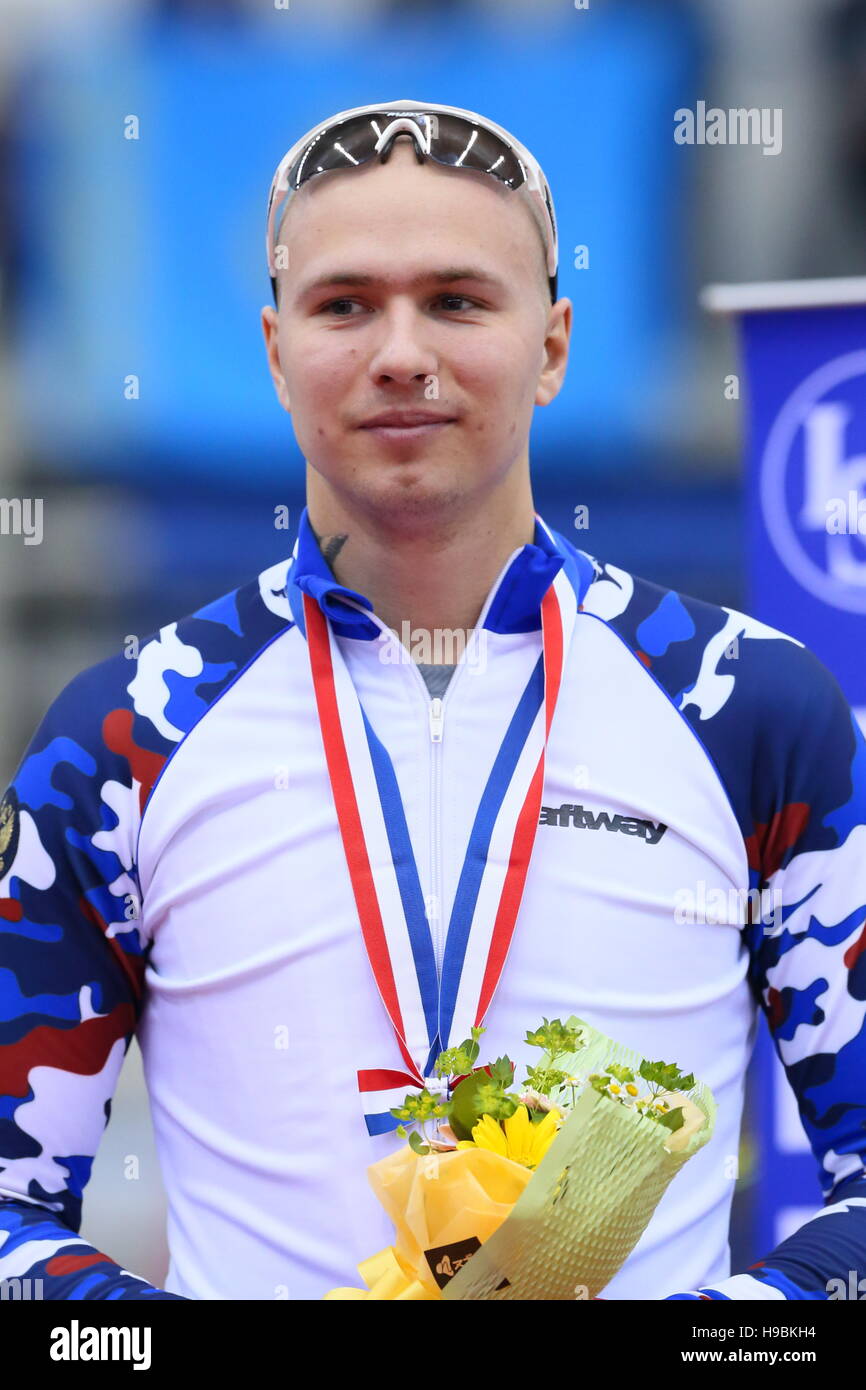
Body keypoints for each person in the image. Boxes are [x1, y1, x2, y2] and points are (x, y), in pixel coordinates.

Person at [0, 99, 864, 1302]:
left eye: (457, 301)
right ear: (274, 347)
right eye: (344, 304)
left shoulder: (749, 703)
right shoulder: (123, 736)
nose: (401, 351)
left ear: (553, 344)